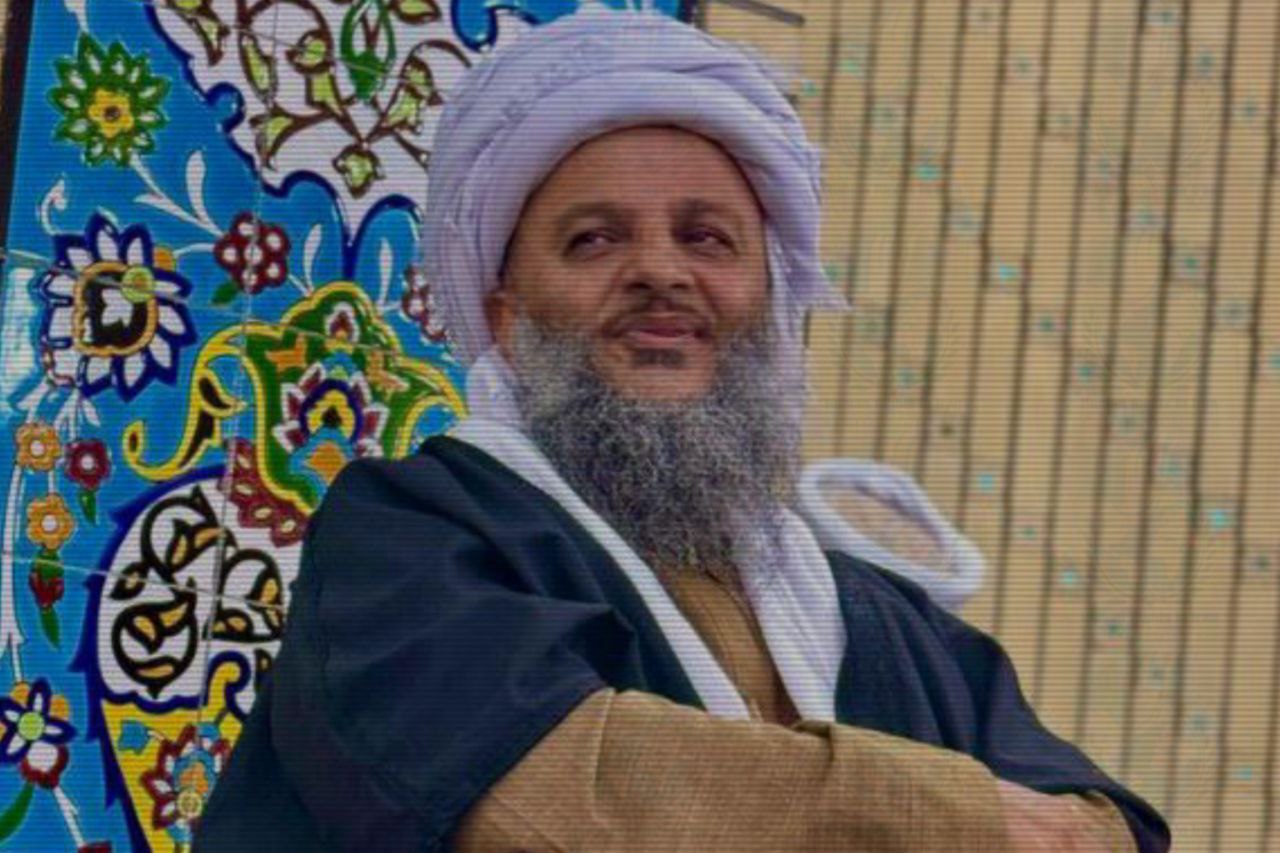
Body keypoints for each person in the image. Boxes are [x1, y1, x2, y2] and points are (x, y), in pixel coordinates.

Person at [196, 7, 1171, 851]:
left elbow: (1106, 826)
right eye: (595, 239)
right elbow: (556, 794)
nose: (661, 272)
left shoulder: (877, 620)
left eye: (706, 238)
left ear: (768, 305)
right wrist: (962, 818)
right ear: (505, 317)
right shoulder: (413, 535)